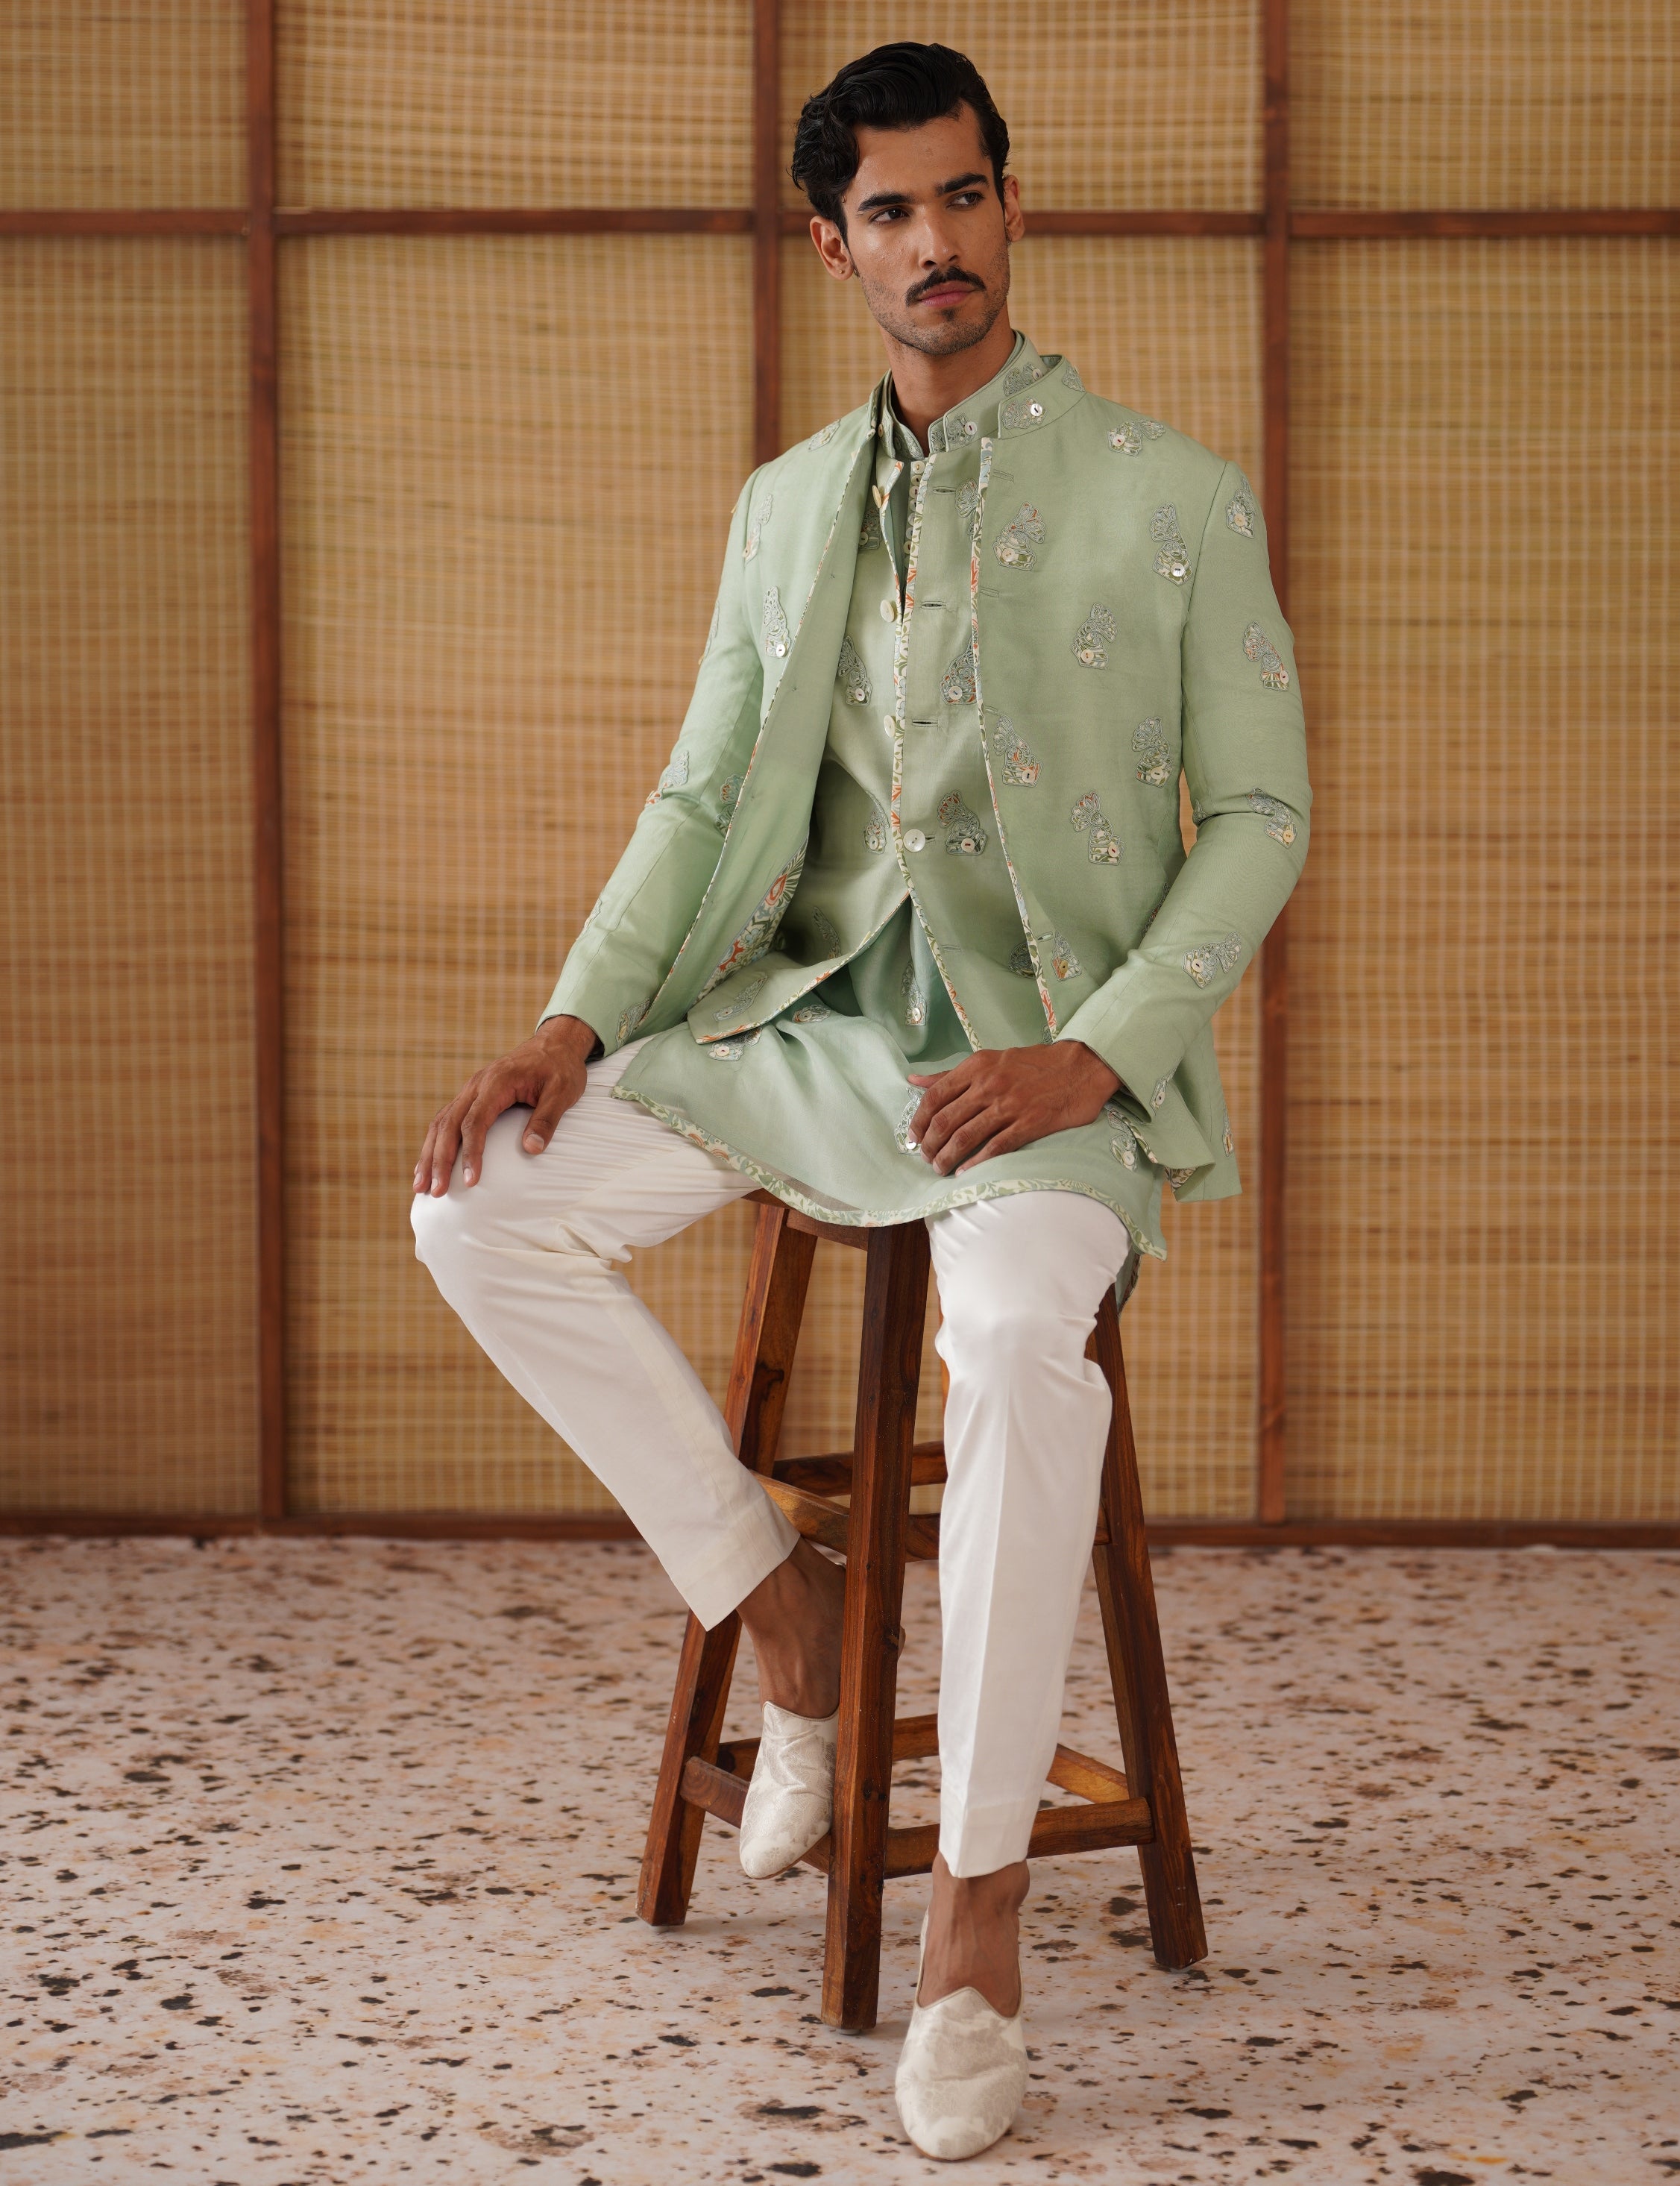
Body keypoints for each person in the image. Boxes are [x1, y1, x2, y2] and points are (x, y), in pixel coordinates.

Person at [411, 40, 1309, 2162]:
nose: (937, 242)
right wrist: (572, 1018)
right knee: (477, 1208)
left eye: (964, 196)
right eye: (891, 211)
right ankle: (789, 1614)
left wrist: (1100, 1048)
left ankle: (974, 1911)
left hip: (1044, 1059)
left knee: (1017, 1339)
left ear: (1013, 205)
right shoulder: (785, 507)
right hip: (810, 1024)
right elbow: (705, 789)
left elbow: (1262, 814)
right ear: (837, 247)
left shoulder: (1172, 496)